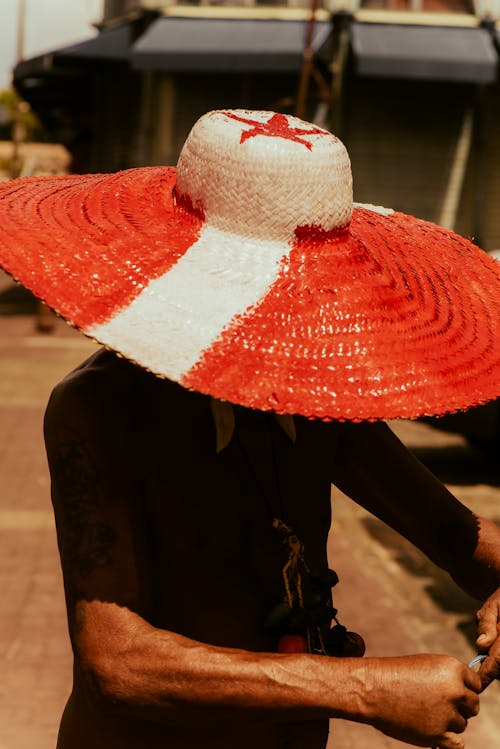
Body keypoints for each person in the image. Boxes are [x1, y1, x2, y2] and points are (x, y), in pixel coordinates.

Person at [1, 109, 500, 749]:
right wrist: (362, 689)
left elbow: (446, 529)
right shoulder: (99, 408)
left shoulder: (314, 394)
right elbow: (118, 663)